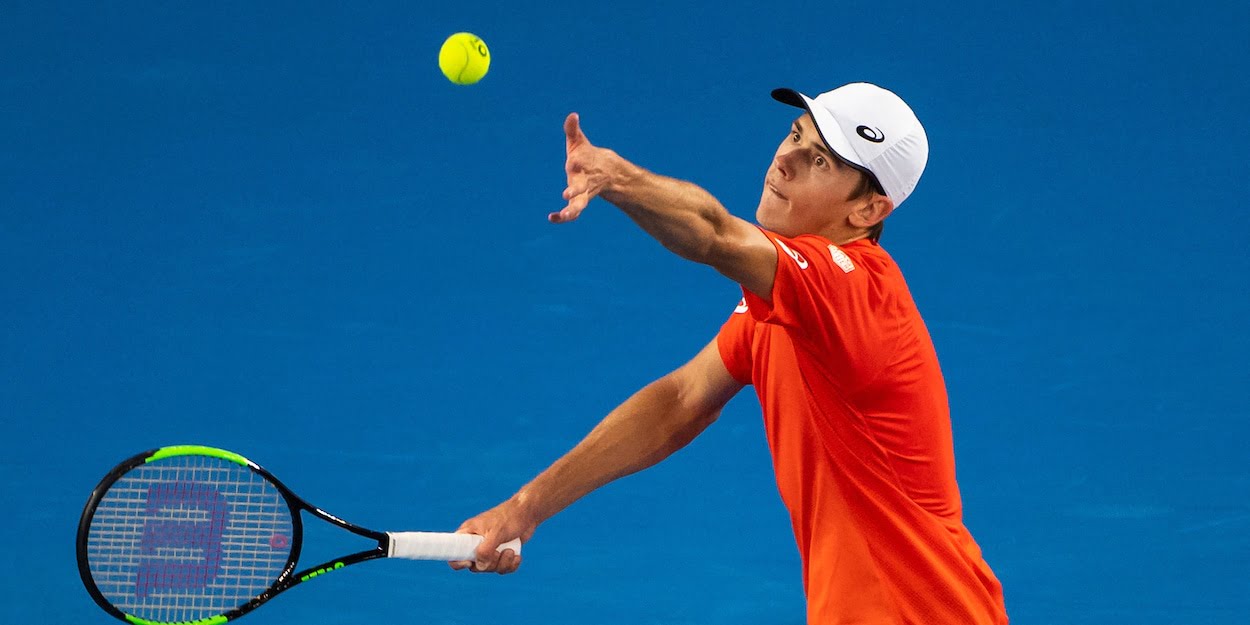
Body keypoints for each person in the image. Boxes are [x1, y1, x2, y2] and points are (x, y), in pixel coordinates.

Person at [450, 82, 1008, 624]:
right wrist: (525, 508)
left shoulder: (850, 292)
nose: (786, 160)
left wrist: (616, 177)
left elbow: (714, 235)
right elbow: (680, 401)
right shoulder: (787, 306)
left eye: (820, 162)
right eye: (795, 135)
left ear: (867, 211)